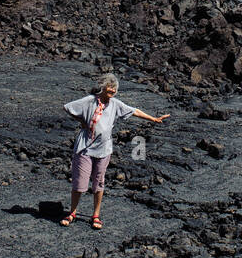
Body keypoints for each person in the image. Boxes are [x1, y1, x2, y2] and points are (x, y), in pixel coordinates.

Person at [61, 73, 169, 229]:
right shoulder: (89, 100)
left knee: (99, 183)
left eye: (114, 89)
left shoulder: (115, 104)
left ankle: (96, 215)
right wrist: (82, 121)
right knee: (79, 183)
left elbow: (135, 111)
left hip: (104, 149)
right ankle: (72, 213)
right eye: (110, 87)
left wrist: (154, 119)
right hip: (84, 148)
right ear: (103, 87)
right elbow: (68, 107)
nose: (112, 90)